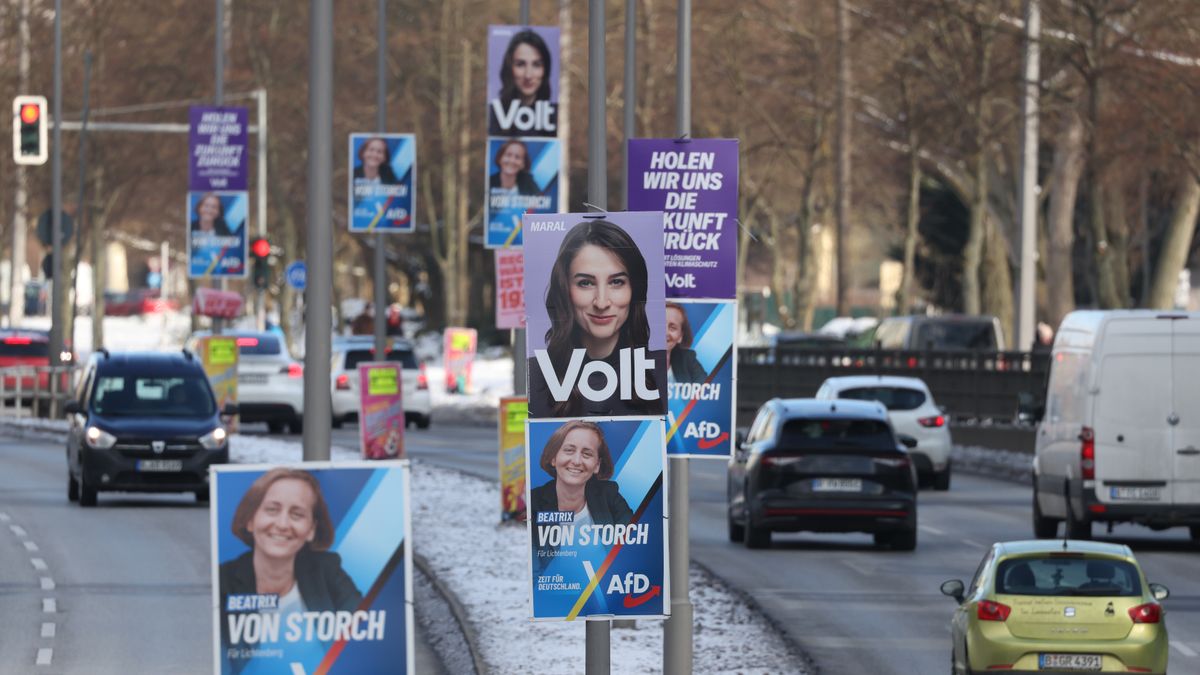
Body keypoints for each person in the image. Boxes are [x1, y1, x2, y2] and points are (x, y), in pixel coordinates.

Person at [528, 219, 667, 417]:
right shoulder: (536, 375)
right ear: (564, 289)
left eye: (616, 282)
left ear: (634, 290)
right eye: (586, 283)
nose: (601, 303)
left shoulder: (662, 370)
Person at [218, 469, 362, 656]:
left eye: (297, 514)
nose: (283, 524)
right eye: (272, 510)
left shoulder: (327, 571)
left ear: (311, 529)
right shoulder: (224, 581)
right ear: (250, 520)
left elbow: (364, 630)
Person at [530, 421, 633, 568]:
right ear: (553, 458)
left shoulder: (609, 495)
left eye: (587, 454)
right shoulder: (533, 504)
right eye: (569, 450)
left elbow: (633, 550)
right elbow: (534, 573)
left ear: (597, 465)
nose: (577, 461)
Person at [488, 29, 557, 137]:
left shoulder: (556, 116)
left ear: (545, 69)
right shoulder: (494, 115)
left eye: (536, 65)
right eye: (520, 64)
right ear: (509, 67)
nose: (528, 75)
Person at [665, 302, 707, 383]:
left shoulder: (687, 359)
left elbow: (704, 384)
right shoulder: (640, 358)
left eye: (672, 327)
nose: (665, 332)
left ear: (680, 336)